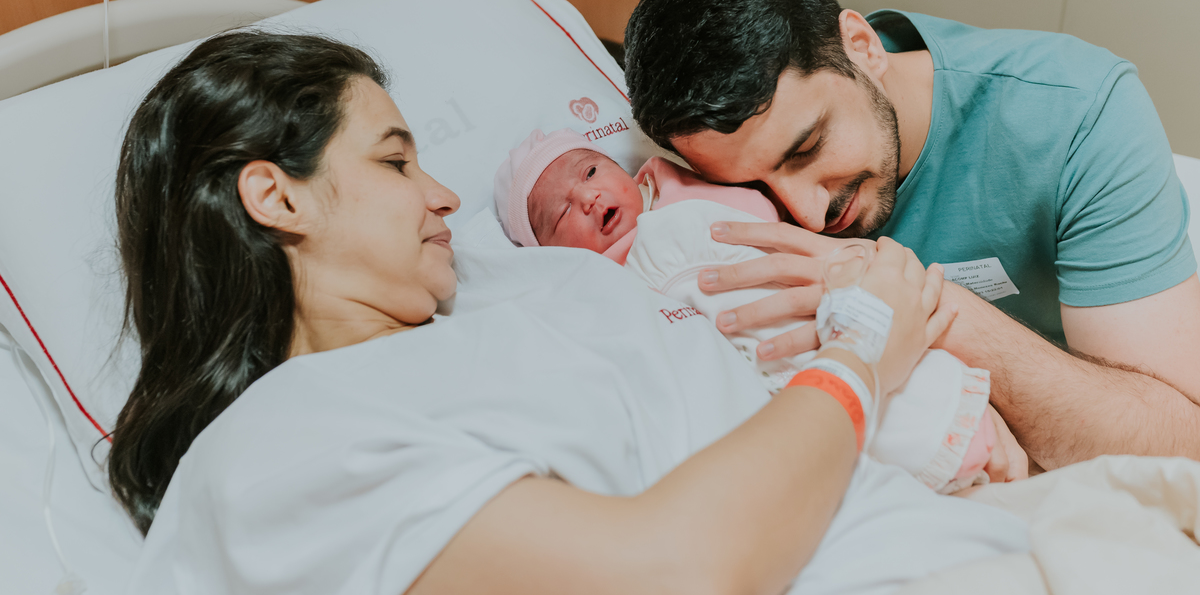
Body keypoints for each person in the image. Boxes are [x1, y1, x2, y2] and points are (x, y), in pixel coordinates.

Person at [113, 31, 1027, 595]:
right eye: (395, 163)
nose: (443, 196)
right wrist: (864, 351)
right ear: (276, 197)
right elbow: (673, 573)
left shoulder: (515, 284)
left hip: (978, 544)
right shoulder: (278, 448)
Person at [622, 0, 1200, 472]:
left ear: (862, 47)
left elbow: (1176, 441)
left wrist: (933, 309)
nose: (807, 214)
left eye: (808, 148)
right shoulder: (697, 195)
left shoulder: (1076, 114)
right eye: (758, 187)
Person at [494, 127, 1023, 491]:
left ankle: (954, 424)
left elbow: (765, 231)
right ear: (552, 254)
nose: (585, 198)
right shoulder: (600, 283)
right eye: (560, 212)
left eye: (589, 173)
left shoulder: (681, 205)